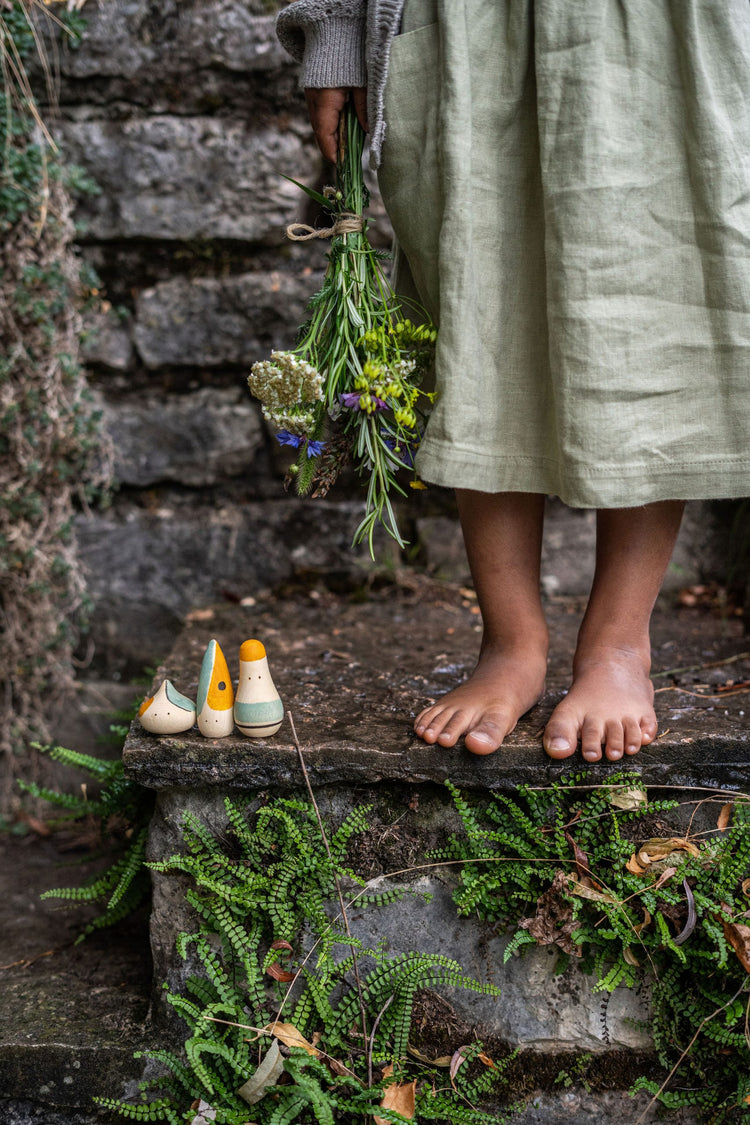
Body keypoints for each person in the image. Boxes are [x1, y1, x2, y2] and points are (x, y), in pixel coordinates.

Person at [276, 0, 750, 763]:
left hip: (663, 23)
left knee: (653, 303)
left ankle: (618, 644)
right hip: (468, 22)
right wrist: (334, 32)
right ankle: (511, 640)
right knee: (475, 302)